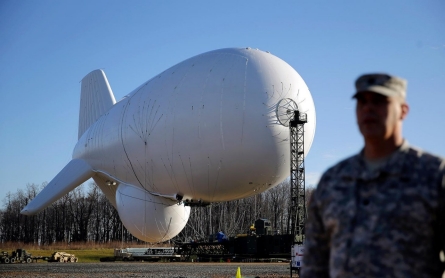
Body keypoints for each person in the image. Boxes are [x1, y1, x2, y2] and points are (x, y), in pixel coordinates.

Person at [301, 73, 445, 277]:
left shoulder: (433, 175)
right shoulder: (333, 181)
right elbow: (314, 266)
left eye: (380, 101)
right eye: (362, 101)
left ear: (403, 110)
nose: (368, 108)